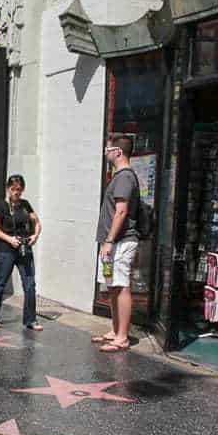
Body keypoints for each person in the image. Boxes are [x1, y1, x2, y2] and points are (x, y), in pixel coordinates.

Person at [93, 134, 140, 353]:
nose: (105, 152)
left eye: (108, 149)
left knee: (121, 286)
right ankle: (115, 330)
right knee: (112, 286)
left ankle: (122, 337)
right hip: (111, 243)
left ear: (118, 152)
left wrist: (110, 240)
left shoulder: (124, 177)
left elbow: (121, 211)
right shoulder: (119, 176)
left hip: (120, 242)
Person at [0, 175, 43, 330]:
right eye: (13, 189)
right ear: (8, 188)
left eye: (19, 189)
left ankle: (30, 319)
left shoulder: (25, 205)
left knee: (30, 284)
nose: (16, 192)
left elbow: (37, 222)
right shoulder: (1, 205)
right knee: (0, 283)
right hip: (6, 249)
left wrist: (35, 236)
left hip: (24, 248)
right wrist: (9, 239)